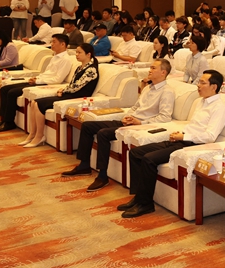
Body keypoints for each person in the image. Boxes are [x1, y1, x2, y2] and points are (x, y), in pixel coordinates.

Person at [119, 70, 225, 218]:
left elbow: (210, 136)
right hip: (181, 139)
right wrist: (180, 134)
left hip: (192, 145)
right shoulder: (201, 102)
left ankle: (145, 204)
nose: (198, 85)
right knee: (135, 153)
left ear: (214, 87)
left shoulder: (219, 108)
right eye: (199, 82)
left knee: (149, 159)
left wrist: (184, 136)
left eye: (202, 83)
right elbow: (194, 126)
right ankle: (138, 198)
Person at [62, 59, 175, 191]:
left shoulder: (167, 91)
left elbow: (165, 117)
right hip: (130, 121)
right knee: (87, 126)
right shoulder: (147, 88)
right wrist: (128, 116)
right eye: (150, 67)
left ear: (163, 72)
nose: (150, 70)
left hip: (140, 126)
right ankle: (84, 165)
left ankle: (102, 176)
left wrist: (140, 122)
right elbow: (135, 107)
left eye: (153, 68)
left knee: (103, 134)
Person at [0, 33, 74, 132]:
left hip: (45, 84)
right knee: (4, 89)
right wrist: (36, 78)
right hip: (40, 80)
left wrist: (38, 81)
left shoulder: (65, 60)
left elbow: (57, 80)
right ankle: (3, 119)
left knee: (12, 93)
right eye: (51, 41)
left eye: (54, 42)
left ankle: (9, 122)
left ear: (63, 44)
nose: (51, 44)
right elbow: (47, 73)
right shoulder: (55, 56)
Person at [22, 44, 99, 147]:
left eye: (79, 52)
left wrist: (63, 91)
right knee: (34, 102)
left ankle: (39, 136)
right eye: (76, 52)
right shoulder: (79, 67)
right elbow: (72, 84)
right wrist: (63, 90)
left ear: (88, 54)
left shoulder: (91, 69)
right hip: (70, 94)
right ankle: (32, 134)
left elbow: (77, 86)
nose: (76, 54)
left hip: (77, 97)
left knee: (39, 104)